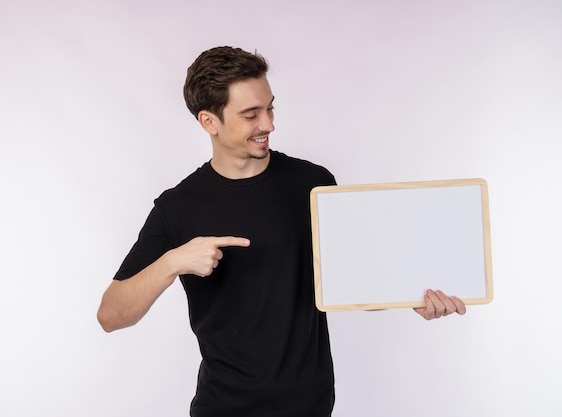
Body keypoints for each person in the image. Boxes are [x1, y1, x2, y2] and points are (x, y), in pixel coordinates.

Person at [97, 46, 467, 417]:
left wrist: (414, 296)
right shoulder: (177, 208)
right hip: (223, 409)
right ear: (209, 121)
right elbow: (111, 316)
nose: (269, 124)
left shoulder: (314, 184)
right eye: (250, 115)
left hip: (311, 407)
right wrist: (174, 261)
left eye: (270, 107)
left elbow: (351, 281)